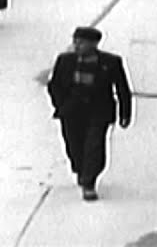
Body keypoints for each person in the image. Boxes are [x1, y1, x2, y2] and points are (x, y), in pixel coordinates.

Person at [45, 26, 132, 202]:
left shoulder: (111, 62)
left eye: (82, 42)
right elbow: (54, 85)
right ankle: (81, 170)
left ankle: (89, 182)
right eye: (75, 41)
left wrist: (125, 113)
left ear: (94, 44)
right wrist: (60, 104)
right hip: (72, 111)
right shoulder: (65, 61)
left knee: (94, 145)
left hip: (99, 111)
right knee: (74, 146)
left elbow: (122, 89)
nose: (77, 45)